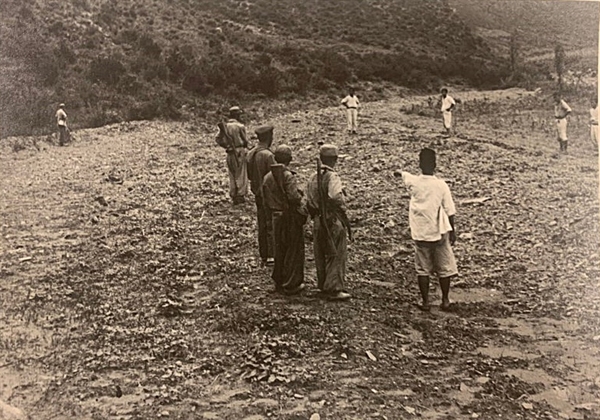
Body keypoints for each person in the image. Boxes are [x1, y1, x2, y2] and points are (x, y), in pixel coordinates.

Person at [398, 148, 457, 312]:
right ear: (435, 165)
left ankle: (425, 301)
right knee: (444, 266)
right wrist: (453, 231)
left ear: (419, 164)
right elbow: (450, 210)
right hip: (439, 231)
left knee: (422, 268)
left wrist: (400, 172)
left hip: (421, 232)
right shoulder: (440, 185)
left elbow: (406, 177)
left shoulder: (414, 183)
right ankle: (445, 299)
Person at [306, 144, 352, 301]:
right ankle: (334, 288)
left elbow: (309, 199)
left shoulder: (313, 177)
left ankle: (323, 284)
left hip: (317, 219)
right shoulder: (332, 176)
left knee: (320, 253)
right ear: (335, 159)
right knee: (336, 252)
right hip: (331, 219)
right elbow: (335, 196)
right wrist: (342, 206)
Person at [262, 145, 307, 294]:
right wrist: (301, 196)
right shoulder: (288, 176)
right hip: (289, 216)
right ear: (290, 159)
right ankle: (292, 283)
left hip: (276, 216)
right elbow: (293, 198)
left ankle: (279, 281)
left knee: (279, 249)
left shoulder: (267, 177)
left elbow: (264, 199)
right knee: (293, 249)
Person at [247, 125, 277, 266]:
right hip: (268, 194)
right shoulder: (268, 155)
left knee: (262, 223)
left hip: (257, 193)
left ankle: (264, 254)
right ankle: (271, 254)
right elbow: (275, 176)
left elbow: (249, 175)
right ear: (269, 138)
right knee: (271, 223)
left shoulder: (251, 153)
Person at [216, 106, 249, 204]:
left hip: (230, 152)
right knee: (241, 173)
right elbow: (245, 141)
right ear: (237, 115)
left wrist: (226, 146)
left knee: (232, 173)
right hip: (239, 150)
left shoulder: (225, 126)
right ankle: (240, 195)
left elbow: (218, 139)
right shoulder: (240, 126)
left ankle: (234, 194)